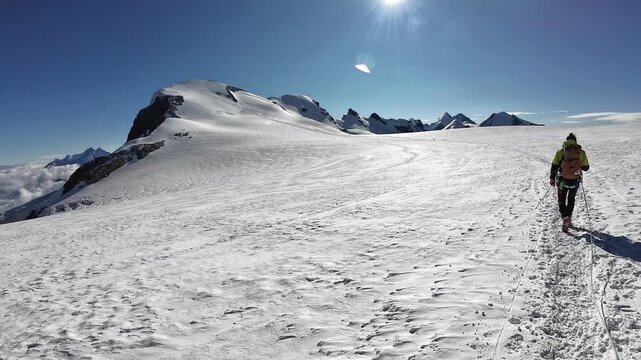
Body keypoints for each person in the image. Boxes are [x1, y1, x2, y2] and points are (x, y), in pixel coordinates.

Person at [549, 133, 590, 232]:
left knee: (561, 199)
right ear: (575, 141)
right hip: (575, 181)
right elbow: (586, 168)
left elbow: (554, 165)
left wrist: (552, 178)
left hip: (563, 180)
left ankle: (565, 217)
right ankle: (569, 217)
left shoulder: (560, 152)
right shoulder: (581, 152)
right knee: (571, 198)